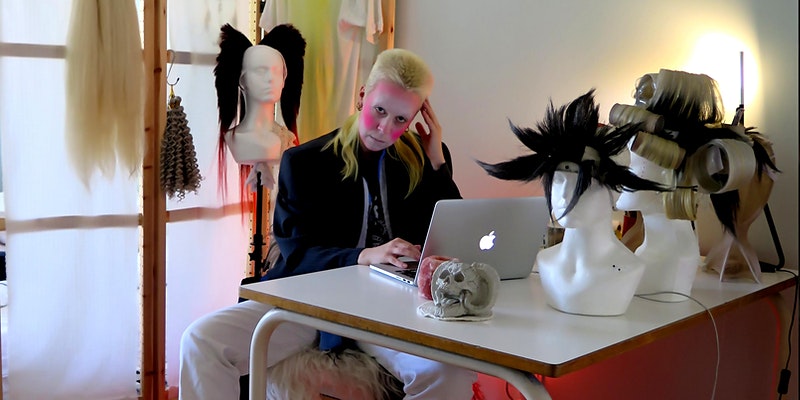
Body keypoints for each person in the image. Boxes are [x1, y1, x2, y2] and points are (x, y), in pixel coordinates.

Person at [180, 48, 478, 400]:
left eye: (401, 120)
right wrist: (363, 256)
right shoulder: (304, 162)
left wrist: (436, 159)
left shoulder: (421, 161)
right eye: (379, 111)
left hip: (390, 312)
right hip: (309, 303)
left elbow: (453, 238)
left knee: (448, 372)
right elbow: (297, 254)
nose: (385, 129)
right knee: (201, 342)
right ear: (362, 96)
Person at [477, 90, 665, 316]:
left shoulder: (628, 270)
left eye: (582, 184)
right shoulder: (545, 261)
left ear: (615, 193)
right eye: (558, 181)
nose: (565, 195)